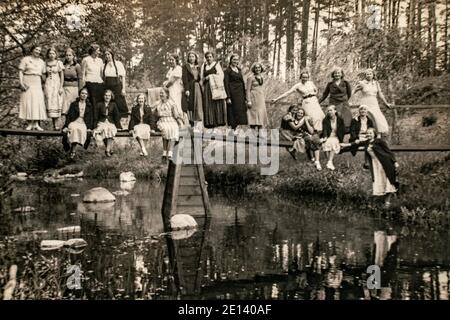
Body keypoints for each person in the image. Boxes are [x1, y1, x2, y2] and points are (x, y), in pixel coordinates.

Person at [343, 127, 399, 207]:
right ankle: (380, 201)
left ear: (374, 134)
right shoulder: (367, 142)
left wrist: (395, 162)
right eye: (367, 133)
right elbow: (355, 144)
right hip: (375, 164)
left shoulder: (379, 141)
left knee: (387, 180)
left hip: (385, 163)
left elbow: (389, 152)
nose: (369, 134)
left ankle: (387, 202)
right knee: (379, 180)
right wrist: (344, 144)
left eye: (370, 133)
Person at [353, 69, 393, 137]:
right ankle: (364, 135)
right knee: (367, 118)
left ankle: (378, 136)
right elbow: (353, 91)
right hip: (365, 102)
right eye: (367, 74)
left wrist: (386, 103)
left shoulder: (376, 83)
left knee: (377, 118)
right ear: (365, 75)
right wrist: (347, 101)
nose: (369, 75)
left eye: (370, 74)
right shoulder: (362, 83)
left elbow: (380, 94)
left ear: (373, 75)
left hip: (374, 102)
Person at [18, 45, 47, 131]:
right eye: (36, 49)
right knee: (28, 102)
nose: (38, 51)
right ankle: (30, 124)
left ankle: (36, 124)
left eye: (39, 50)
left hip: (37, 81)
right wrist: (21, 82)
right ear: (32, 50)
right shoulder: (26, 59)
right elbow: (20, 72)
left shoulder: (42, 62)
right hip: (27, 80)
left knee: (37, 102)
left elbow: (44, 74)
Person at [62, 87, 95, 158]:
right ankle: (73, 150)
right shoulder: (74, 104)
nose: (84, 95)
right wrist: (66, 126)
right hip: (74, 121)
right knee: (74, 129)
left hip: (83, 123)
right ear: (79, 94)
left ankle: (73, 150)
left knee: (81, 130)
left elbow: (91, 118)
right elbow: (69, 116)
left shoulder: (89, 105)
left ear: (88, 95)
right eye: (82, 93)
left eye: (86, 94)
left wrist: (89, 128)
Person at [155, 88, 184, 161]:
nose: (161, 95)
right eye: (160, 93)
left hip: (171, 120)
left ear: (167, 94)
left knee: (174, 129)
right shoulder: (158, 103)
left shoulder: (171, 103)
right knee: (166, 129)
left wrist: (180, 123)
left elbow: (176, 115)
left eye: (162, 93)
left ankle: (170, 153)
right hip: (162, 120)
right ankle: (164, 153)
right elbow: (152, 112)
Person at [200, 51, 227, 128]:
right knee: (208, 104)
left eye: (210, 56)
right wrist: (206, 78)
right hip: (208, 88)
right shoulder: (204, 66)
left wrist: (211, 76)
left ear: (213, 57)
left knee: (217, 103)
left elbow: (221, 76)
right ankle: (210, 123)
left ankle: (219, 122)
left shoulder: (216, 64)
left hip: (216, 87)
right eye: (207, 57)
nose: (208, 58)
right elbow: (202, 78)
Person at [93, 89, 122, 157]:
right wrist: (94, 126)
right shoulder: (99, 104)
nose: (107, 97)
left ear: (111, 96)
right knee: (105, 129)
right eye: (106, 95)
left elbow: (116, 116)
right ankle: (110, 148)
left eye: (109, 95)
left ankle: (107, 150)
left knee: (111, 129)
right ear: (103, 96)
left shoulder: (113, 104)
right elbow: (96, 116)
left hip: (110, 122)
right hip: (102, 122)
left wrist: (118, 126)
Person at [224, 54, 247, 130]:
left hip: (240, 93)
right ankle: (232, 129)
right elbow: (226, 84)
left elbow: (242, 82)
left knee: (240, 111)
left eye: (237, 60)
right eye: (234, 59)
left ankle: (237, 129)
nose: (235, 61)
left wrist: (244, 95)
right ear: (230, 60)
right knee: (232, 111)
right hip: (232, 93)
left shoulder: (239, 70)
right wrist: (228, 97)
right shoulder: (227, 71)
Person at [103, 49, 129, 117]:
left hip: (117, 85)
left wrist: (123, 89)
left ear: (112, 55)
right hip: (107, 86)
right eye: (105, 54)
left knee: (119, 102)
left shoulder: (118, 63)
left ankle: (122, 119)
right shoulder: (103, 65)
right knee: (109, 102)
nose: (107, 56)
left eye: (108, 54)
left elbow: (123, 77)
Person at [44, 47, 64, 130]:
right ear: (48, 54)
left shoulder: (59, 63)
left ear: (56, 54)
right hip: (49, 84)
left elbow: (62, 75)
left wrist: (61, 87)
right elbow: (43, 75)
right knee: (50, 103)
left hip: (57, 84)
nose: (51, 55)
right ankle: (53, 125)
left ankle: (57, 124)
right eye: (50, 53)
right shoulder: (45, 63)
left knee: (57, 103)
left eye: (53, 53)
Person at [321, 105, 345, 170]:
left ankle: (329, 162)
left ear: (335, 111)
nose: (329, 112)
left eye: (331, 110)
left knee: (333, 142)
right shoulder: (325, 120)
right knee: (325, 143)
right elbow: (325, 129)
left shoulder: (340, 119)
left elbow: (342, 130)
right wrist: (325, 137)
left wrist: (341, 139)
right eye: (328, 111)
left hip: (336, 136)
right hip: (329, 136)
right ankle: (330, 162)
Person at [182, 51, 203, 125]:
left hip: (197, 87)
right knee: (190, 104)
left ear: (195, 58)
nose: (191, 58)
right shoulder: (185, 67)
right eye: (190, 56)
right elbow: (185, 79)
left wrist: (199, 71)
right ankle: (191, 123)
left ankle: (198, 122)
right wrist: (187, 89)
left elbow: (200, 78)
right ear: (188, 58)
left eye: (193, 56)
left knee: (198, 103)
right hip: (190, 87)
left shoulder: (198, 67)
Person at [80, 44, 104, 110]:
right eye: (98, 50)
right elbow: (83, 73)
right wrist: (83, 83)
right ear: (93, 51)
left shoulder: (100, 60)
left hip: (99, 83)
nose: (99, 52)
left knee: (98, 100)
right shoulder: (86, 59)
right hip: (89, 82)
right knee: (92, 100)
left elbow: (101, 73)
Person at [246, 62, 268, 130]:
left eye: (259, 67)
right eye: (256, 68)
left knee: (261, 115)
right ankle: (252, 134)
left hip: (260, 98)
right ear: (254, 69)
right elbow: (247, 90)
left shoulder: (262, 77)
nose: (257, 69)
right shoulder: (250, 77)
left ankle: (260, 134)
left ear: (261, 68)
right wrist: (248, 100)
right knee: (253, 116)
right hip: (253, 98)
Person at [62, 48, 82, 117]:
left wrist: (80, 90)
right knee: (65, 105)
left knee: (73, 105)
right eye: (67, 55)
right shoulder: (63, 65)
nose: (68, 57)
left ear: (73, 56)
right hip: (65, 88)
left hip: (74, 88)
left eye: (70, 55)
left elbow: (80, 78)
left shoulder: (77, 66)